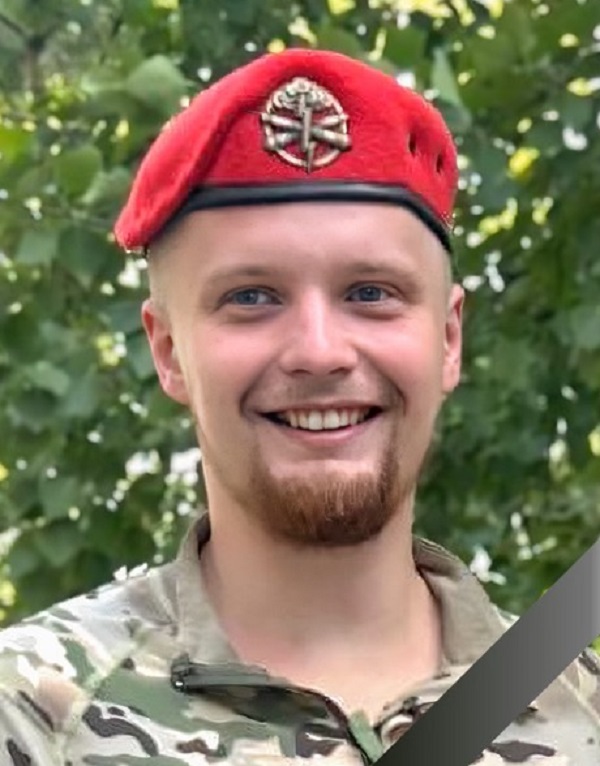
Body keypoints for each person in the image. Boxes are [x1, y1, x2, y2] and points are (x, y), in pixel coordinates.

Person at [0, 48, 598, 766]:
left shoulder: (583, 705)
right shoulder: (33, 717)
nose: (319, 351)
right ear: (168, 351)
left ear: (447, 339)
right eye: (251, 297)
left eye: (371, 293)